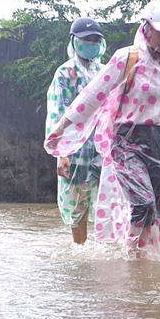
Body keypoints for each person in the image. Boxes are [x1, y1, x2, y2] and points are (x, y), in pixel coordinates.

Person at [44, 0, 160, 259]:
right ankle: (131, 258)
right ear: (147, 28)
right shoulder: (127, 58)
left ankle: (148, 265)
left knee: (159, 213)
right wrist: (61, 133)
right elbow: (92, 96)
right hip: (127, 142)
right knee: (142, 203)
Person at [45, 16, 107, 244]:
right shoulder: (65, 73)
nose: (91, 44)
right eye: (86, 39)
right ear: (74, 42)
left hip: (102, 148)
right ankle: (80, 252)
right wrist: (61, 154)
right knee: (77, 203)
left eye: (95, 40)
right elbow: (57, 113)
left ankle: (103, 254)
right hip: (75, 149)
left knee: (106, 201)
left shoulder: (105, 72)